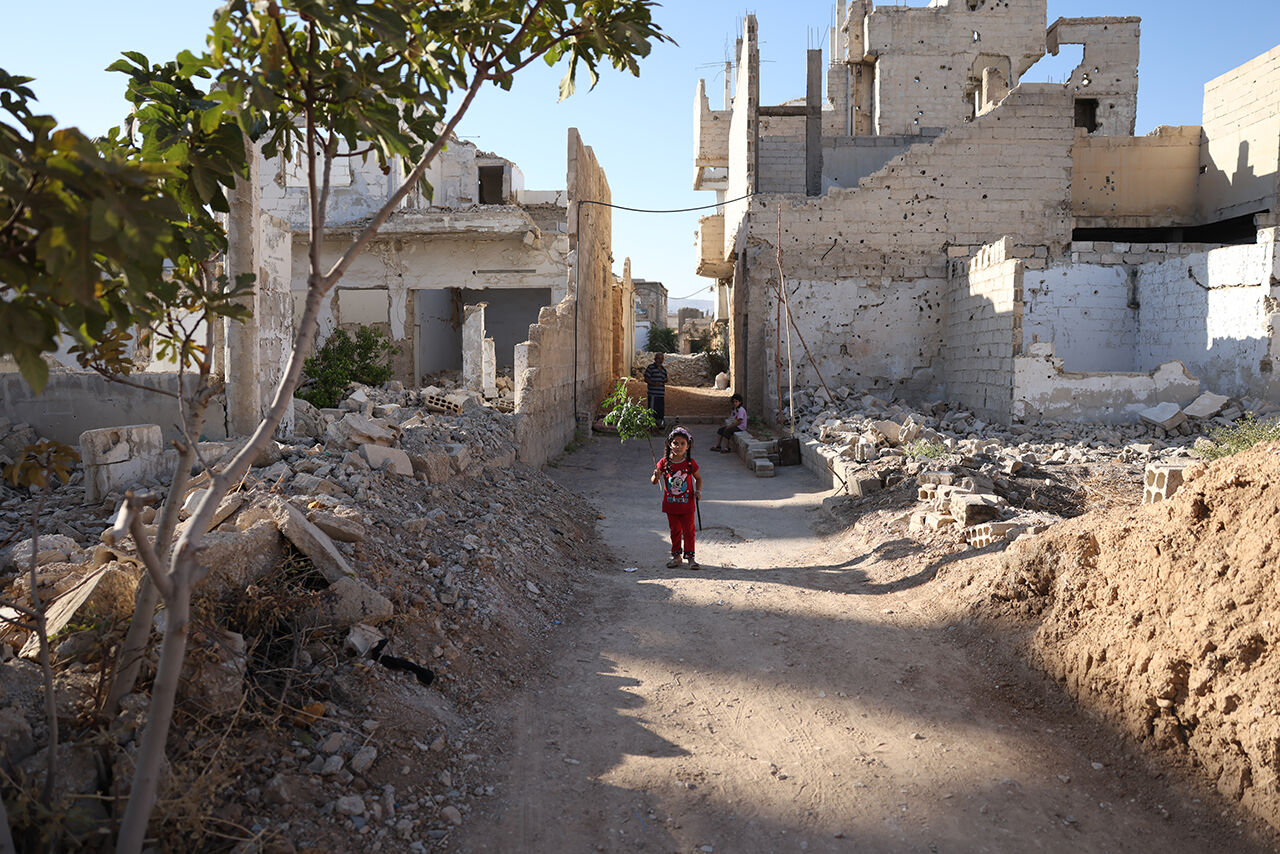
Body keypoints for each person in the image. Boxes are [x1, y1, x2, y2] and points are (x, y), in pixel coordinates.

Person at [650, 426, 702, 569]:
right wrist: (656, 475)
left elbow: (698, 478)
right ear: (669, 444)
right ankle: (676, 557)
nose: (678, 446)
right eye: (675, 443)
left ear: (688, 446)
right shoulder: (664, 463)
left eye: (682, 443)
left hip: (687, 505)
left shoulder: (690, 463)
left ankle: (691, 558)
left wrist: (698, 491)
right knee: (674, 531)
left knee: (689, 531)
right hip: (671, 505)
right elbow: (654, 482)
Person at [643, 352, 668, 428]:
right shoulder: (650, 368)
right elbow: (646, 379)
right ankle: (651, 424)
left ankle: (659, 423)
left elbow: (665, 379)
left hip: (661, 394)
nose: (660, 360)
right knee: (652, 410)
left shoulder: (663, 370)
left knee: (660, 409)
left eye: (662, 359)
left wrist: (665, 380)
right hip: (653, 393)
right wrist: (653, 383)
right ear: (655, 359)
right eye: (659, 358)